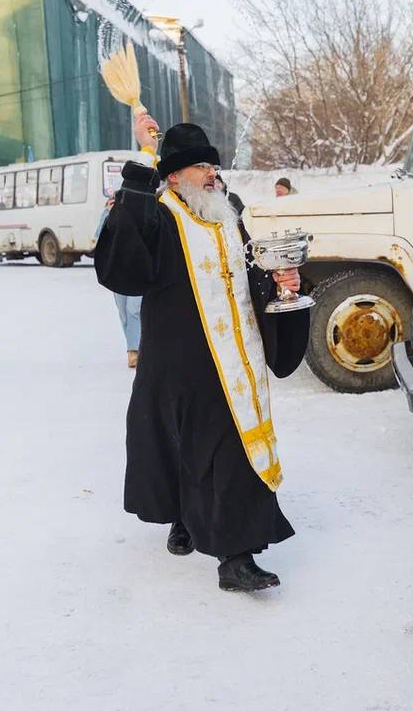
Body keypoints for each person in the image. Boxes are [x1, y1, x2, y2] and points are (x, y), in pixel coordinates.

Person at [95, 115, 309, 592]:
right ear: (174, 176)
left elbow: (248, 270)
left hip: (235, 361)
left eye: (213, 166)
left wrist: (283, 282)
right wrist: (141, 166)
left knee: (229, 453)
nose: (212, 174)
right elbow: (122, 262)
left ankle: (236, 558)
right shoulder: (160, 215)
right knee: (181, 446)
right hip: (179, 362)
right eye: (200, 167)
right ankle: (184, 516)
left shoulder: (227, 212)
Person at [95, 196, 142, 368]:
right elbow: (98, 236)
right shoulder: (108, 215)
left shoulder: (138, 213)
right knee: (123, 314)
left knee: (133, 310)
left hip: (137, 271)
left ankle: (134, 351)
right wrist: (107, 212)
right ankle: (133, 347)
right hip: (118, 272)